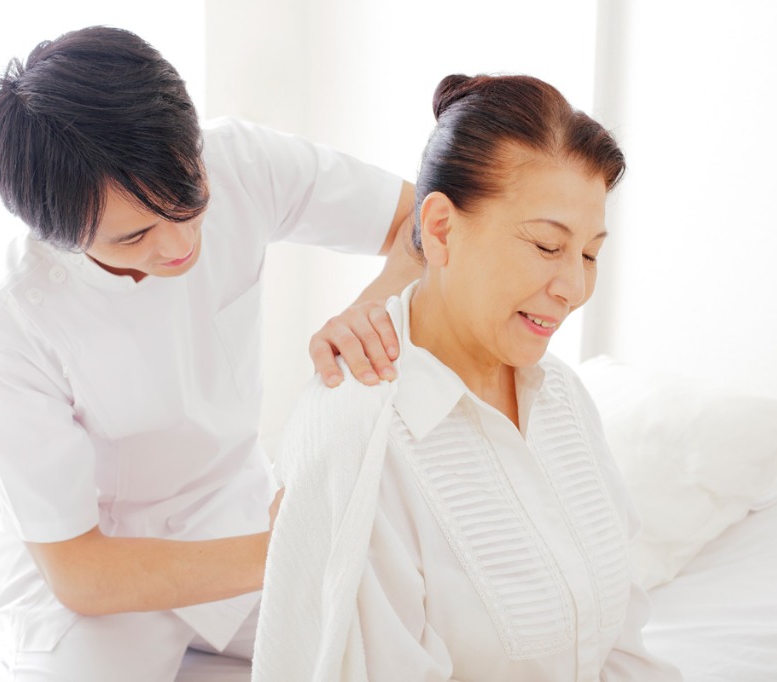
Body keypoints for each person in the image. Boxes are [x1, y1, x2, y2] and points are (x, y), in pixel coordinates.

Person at [0, 25, 419, 680]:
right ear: (57, 234)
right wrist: (284, 547)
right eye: (134, 236)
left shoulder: (238, 160)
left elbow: (421, 222)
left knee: (395, 649)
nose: (178, 246)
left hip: (232, 511)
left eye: (189, 200)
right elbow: (80, 571)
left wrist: (370, 308)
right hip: (99, 578)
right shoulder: (4, 329)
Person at [253, 74, 683, 681]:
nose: (574, 287)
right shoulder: (361, 437)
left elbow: (621, 645)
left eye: (590, 254)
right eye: (546, 245)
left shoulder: (561, 396)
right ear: (440, 229)